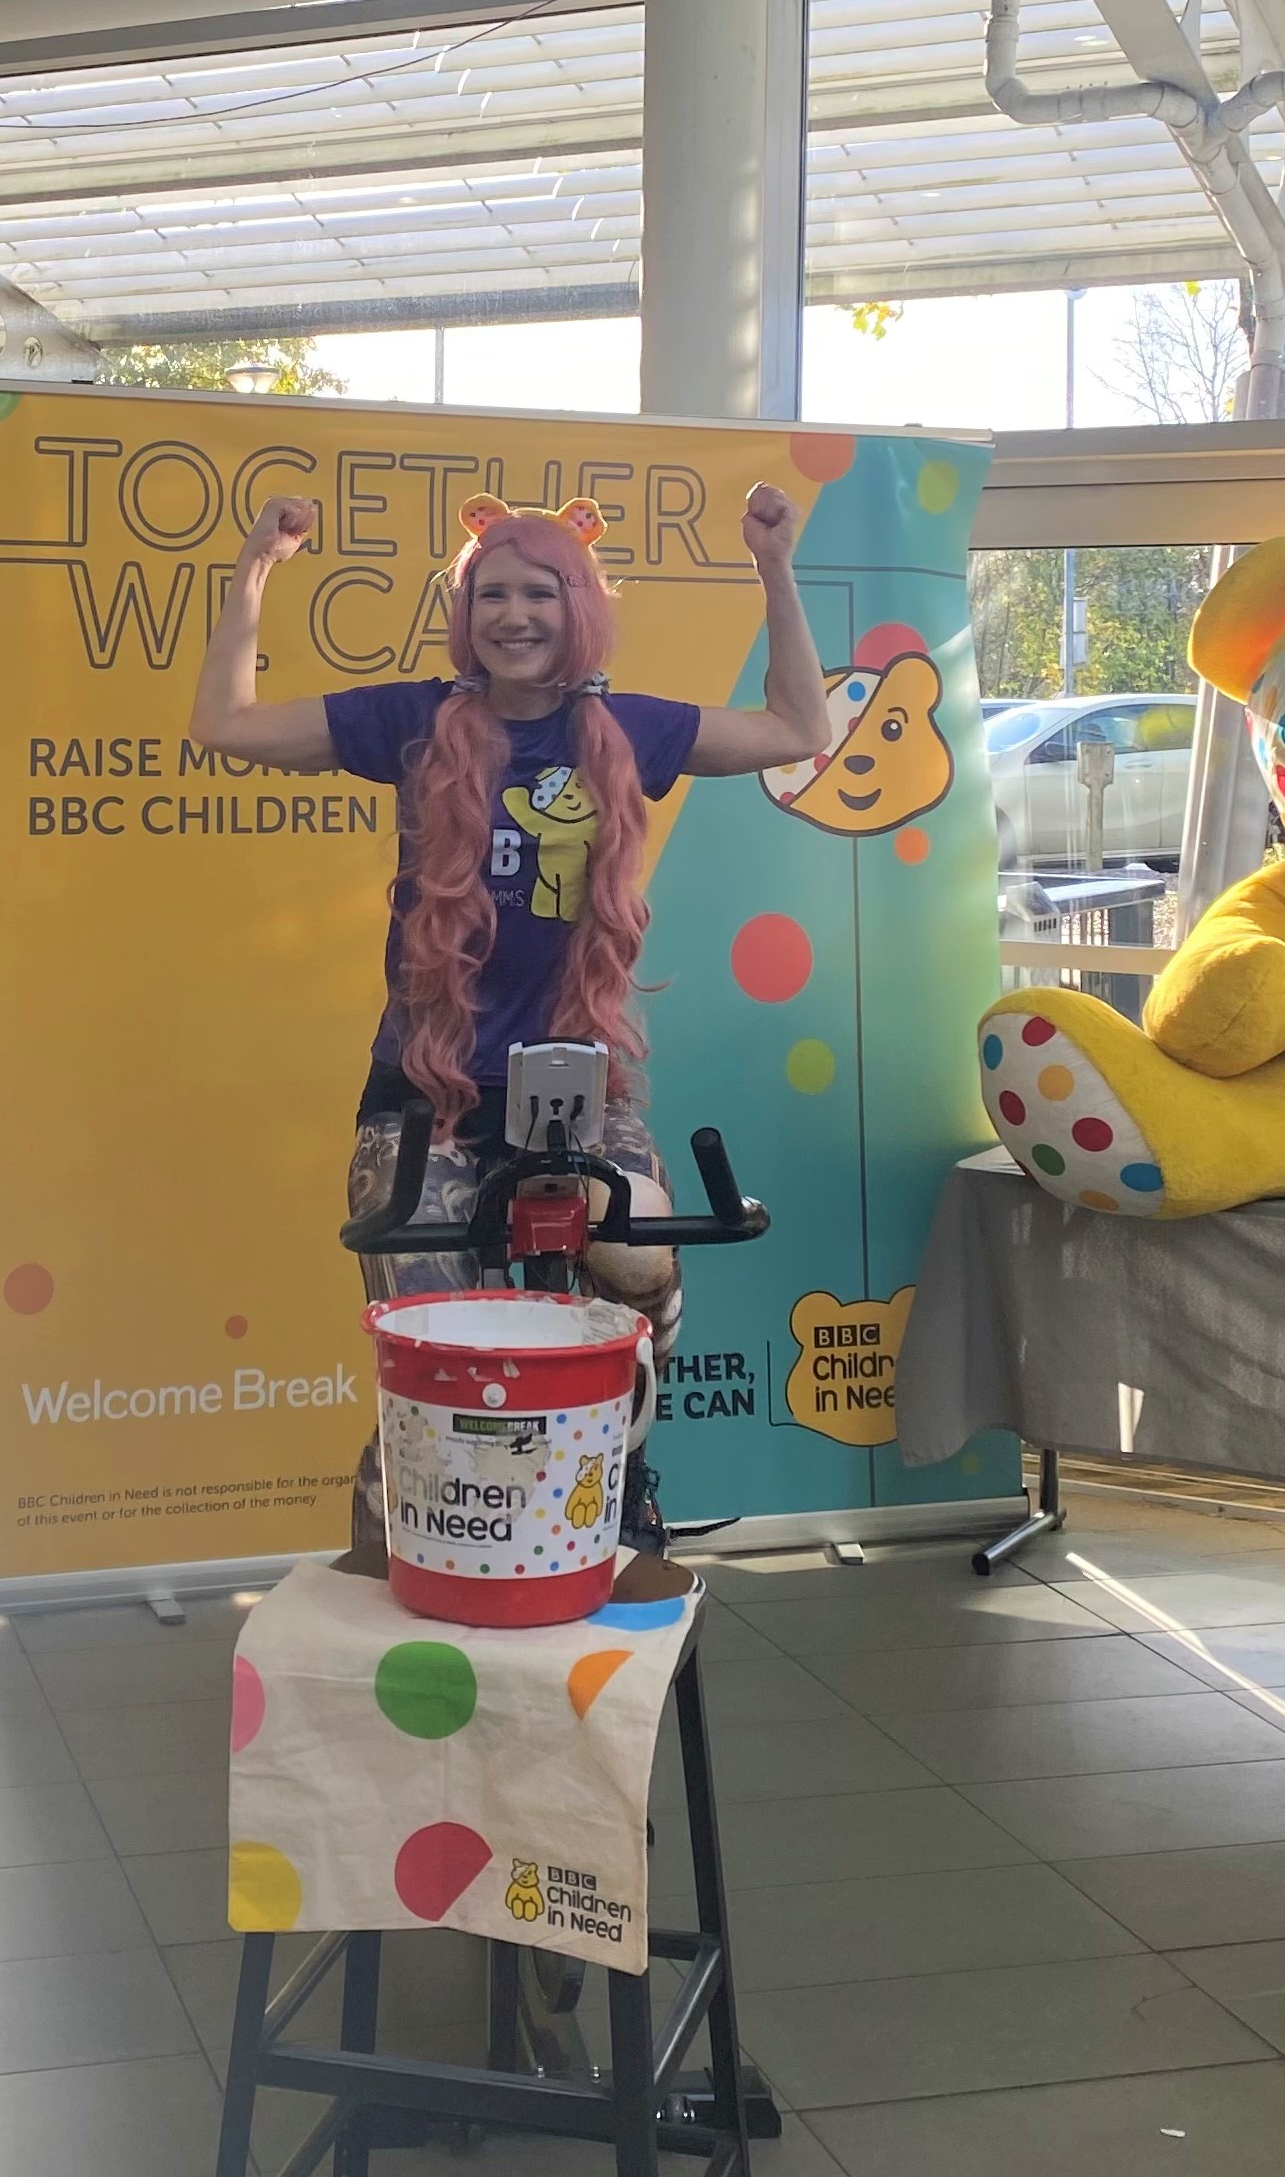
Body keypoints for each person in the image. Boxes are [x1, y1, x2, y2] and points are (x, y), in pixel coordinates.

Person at [190, 483, 832, 1547]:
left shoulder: (623, 728)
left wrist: (774, 567)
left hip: (577, 1087)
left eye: (540, 590)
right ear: (465, 611)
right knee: (434, 1355)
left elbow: (798, 727)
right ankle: (395, 1557)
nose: (514, 614)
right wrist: (254, 569)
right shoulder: (410, 719)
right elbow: (226, 725)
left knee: (637, 1258)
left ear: (577, 604)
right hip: (421, 1094)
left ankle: (621, 1464)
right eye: (491, 593)